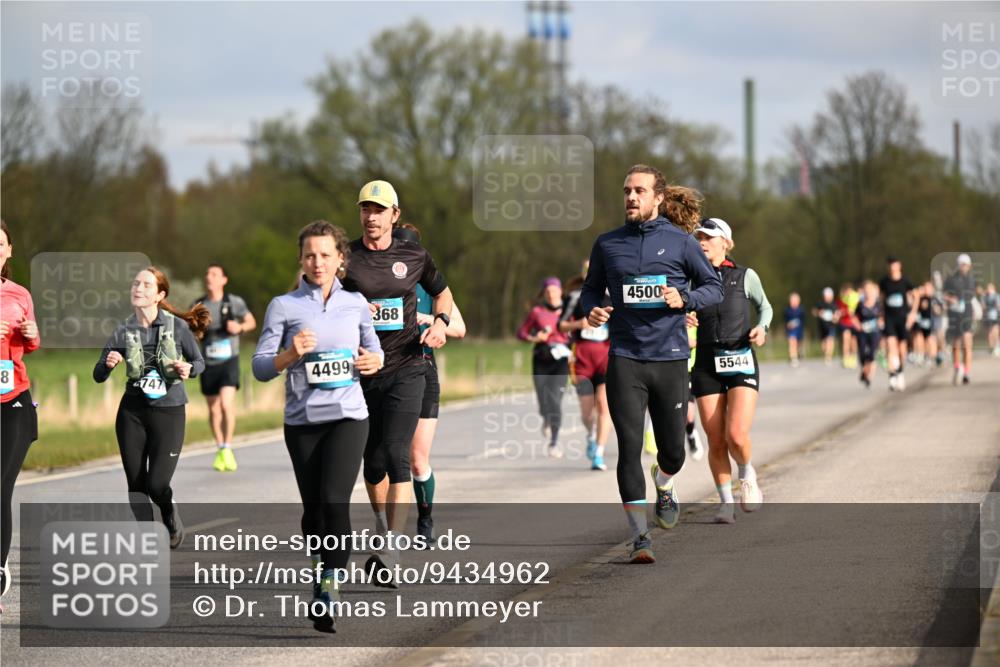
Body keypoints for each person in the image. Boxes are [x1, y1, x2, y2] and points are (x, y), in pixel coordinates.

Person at [582, 164, 723, 564]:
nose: (630, 197)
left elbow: (712, 286)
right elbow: (591, 289)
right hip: (626, 358)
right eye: (627, 190)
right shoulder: (608, 244)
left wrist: (686, 300)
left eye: (639, 191)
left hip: (671, 359)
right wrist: (592, 309)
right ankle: (639, 536)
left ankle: (664, 483)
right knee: (628, 448)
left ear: (658, 198)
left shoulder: (681, 244)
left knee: (673, 453)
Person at [252, 221, 383, 633]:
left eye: (326, 255)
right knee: (313, 513)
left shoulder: (356, 303)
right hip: (303, 422)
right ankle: (319, 566)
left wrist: (372, 361)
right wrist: (291, 353)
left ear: (341, 258)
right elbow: (259, 367)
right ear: (301, 260)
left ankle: (328, 588)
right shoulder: (284, 306)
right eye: (310, 255)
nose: (318, 262)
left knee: (334, 502)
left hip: (349, 416)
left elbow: (374, 349)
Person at [341, 179, 453, 584]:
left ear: (395, 215)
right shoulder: (345, 258)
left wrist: (440, 323)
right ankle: (380, 523)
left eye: (379, 210)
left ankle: (391, 548)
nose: (371, 217)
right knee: (371, 465)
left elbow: (443, 294)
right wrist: (351, 308)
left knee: (396, 453)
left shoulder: (414, 254)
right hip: (361, 372)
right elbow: (315, 298)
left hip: (407, 367)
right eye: (365, 210)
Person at [93, 267, 209, 548]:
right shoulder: (124, 329)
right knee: (136, 485)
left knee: (156, 484)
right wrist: (108, 365)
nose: (138, 288)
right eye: (136, 283)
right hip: (132, 413)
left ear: (159, 295)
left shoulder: (176, 327)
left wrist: (188, 368)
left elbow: (199, 363)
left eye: (146, 285)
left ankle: (169, 512)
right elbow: (97, 373)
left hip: (169, 412)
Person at [687, 218, 772, 524]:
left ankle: (747, 474)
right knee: (716, 439)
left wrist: (761, 328)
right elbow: (680, 309)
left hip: (740, 360)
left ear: (726, 242)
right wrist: (685, 319)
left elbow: (766, 307)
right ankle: (725, 503)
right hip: (706, 362)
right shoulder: (691, 278)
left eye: (708, 236)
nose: (701, 241)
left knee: (735, 434)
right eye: (698, 237)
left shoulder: (745, 276)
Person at [392, 224, 466, 545]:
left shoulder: (432, 286)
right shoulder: (379, 281)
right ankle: (388, 529)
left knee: (417, 457)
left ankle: (425, 517)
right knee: (386, 458)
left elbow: (460, 329)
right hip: (386, 373)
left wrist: (431, 320)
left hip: (423, 371)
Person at [0, 220, 40, 600]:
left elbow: (32, 343)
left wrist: (30, 336)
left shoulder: (19, 294)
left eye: (0, 245)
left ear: (9, 251)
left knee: (1, 487)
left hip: (13, 398)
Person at [191, 264, 256, 472]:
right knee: (213, 408)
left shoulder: (233, 302)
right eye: (207, 274)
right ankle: (220, 447)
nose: (208, 277)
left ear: (223, 280)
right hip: (208, 362)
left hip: (229, 359)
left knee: (227, 405)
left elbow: (251, 321)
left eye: (214, 274)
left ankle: (228, 447)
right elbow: (190, 331)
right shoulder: (199, 304)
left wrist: (240, 327)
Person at [559, 260, 612, 471]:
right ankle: (591, 434)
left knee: (604, 404)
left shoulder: (613, 295)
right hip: (581, 358)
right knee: (586, 413)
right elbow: (561, 325)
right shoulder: (573, 297)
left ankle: (598, 453)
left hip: (606, 356)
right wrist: (578, 324)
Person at [518, 277, 572, 459]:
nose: (551, 294)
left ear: (560, 291)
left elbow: (579, 331)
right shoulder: (537, 312)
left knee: (555, 400)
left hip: (561, 361)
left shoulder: (569, 310)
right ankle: (546, 418)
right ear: (544, 294)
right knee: (543, 402)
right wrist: (535, 338)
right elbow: (521, 332)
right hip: (541, 358)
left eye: (554, 290)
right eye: (547, 291)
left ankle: (554, 442)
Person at [878, 257, 916, 391]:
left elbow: (915, 295)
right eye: (891, 266)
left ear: (899, 266)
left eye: (895, 265)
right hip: (889, 318)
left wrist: (912, 313)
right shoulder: (884, 282)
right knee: (890, 345)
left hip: (902, 318)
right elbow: (881, 300)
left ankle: (900, 372)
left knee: (901, 349)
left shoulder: (905, 281)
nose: (893, 268)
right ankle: (892, 375)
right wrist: (881, 316)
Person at [944, 254, 977, 385]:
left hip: (968, 314)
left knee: (968, 344)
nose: (964, 267)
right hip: (955, 314)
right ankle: (957, 367)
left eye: (966, 264)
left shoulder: (972, 279)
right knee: (956, 344)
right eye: (962, 264)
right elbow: (944, 294)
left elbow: (974, 297)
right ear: (958, 265)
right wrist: (950, 299)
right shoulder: (951, 279)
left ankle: (966, 372)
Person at [852, 281, 882, 389]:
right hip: (863, 332)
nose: (868, 293)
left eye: (870, 290)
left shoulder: (878, 304)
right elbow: (854, 317)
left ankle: (869, 376)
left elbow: (883, 317)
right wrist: (858, 325)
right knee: (862, 354)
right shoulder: (860, 305)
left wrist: (880, 322)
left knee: (872, 354)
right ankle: (864, 371)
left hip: (874, 332)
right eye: (866, 291)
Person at [813, 287, 838, 365]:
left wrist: (835, 318)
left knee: (830, 340)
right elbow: (814, 312)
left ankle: (828, 357)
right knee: (823, 344)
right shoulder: (820, 304)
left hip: (831, 325)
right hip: (822, 326)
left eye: (829, 296)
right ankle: (826, 353)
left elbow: (837, 315)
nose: (827, 297)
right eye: (826, 296)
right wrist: (819, 313)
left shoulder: (834, 305)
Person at [836, 283, 860, 369]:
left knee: (853, 341)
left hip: (854, 322)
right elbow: (839, 310)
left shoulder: (857, 297)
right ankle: (846, 359)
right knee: (846, 340)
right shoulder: (842, 300)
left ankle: (853, 358)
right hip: (845, 322)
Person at [784, 292, 804, 367]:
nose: (793, 302)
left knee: (797, 344)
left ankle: (799, 353)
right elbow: (785, 321)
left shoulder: (801, 310)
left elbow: (803, 321)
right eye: (792, 300)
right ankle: (793, 358)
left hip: (799, 330)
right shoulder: (787, 310)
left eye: (795, 300)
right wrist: (788, 325)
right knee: (792, 342)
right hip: (791, 331)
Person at [982, 283, 999, 357]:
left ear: (993, 289)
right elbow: (983, 306)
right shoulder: (984, 297)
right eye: (988, 288)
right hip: (988, 316)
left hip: (996, 316)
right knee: (989, 332)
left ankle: (996, 346)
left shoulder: (997, 296)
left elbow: (998, 306)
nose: (989, 290)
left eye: (990, 288)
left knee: (995, 331)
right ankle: (991, 346)